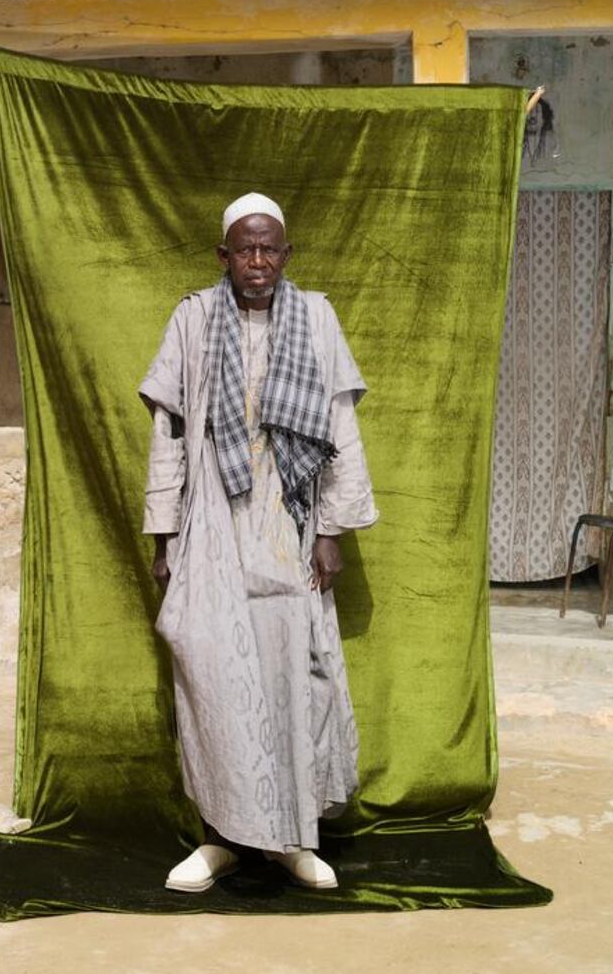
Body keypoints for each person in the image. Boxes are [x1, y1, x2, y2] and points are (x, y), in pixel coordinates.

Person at [138, 192, 377, 892]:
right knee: (211, 678)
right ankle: (220, 840)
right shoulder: (193, 318)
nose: (258, 260)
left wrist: (330, 532)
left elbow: (340, 429)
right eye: (245, 248)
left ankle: (292, 839)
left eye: (270, 247)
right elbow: (170, 438)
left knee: (290, 675)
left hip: (287, 517)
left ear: (287, 254)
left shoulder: (317, 318)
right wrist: (164, 536)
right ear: (224, 256)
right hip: (211, 517)